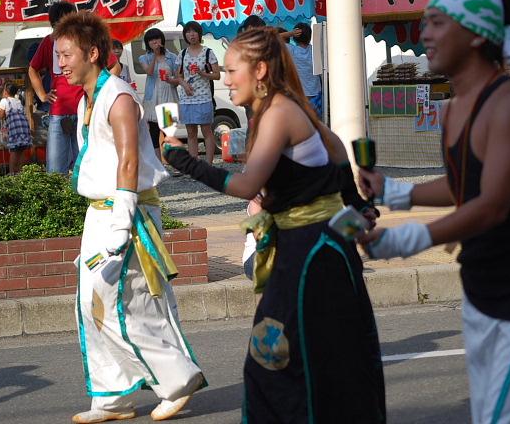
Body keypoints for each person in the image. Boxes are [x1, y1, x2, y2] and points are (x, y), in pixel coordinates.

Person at [358, 0, 510, 423]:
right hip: (484, 287)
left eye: (438, 23)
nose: (424, 34)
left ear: (476, 35)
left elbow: (491, 204)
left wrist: (404, 240)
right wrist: (396, 193)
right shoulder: (454, 107)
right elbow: (463, 184)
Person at [163, 27, 386, 423]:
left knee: (285, 359)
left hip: (312, 255)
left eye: (232, 70)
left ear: (261, 70)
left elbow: (247, 184)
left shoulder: (280, 112)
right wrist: (356, 208)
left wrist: (184, 161)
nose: (225, 79)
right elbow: (336, 155)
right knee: (298, 359)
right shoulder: (284, 108)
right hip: (310, 250)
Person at [54, 11, 204, 423]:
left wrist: (120, 223)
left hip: (127, 212)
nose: (61, 63)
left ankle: (177, 381)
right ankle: (112, 397)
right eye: (59, 55)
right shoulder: (89, 97)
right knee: (90, 304)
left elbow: (129, 162)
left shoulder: (118, 96)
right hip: (99, 212)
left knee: (130, 303)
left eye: (67, 55)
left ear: (93, 53)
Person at [28, 1, 81, 173]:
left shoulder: (84, 40)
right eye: (59, 22)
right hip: (58, 110)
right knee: (56, 168)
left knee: (86, 164)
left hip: (85, 109)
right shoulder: (49, 42)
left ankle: (87, 198)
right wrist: (42, 95)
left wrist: (98, 92)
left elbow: (113, 66)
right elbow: (32, 69)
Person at [174, 21, 220, 163]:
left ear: (199, 34)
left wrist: (202, 73)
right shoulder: (182, 54)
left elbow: (217, 75)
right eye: (188, 32)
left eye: (194, 32)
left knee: (206, 131)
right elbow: (178, 75)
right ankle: (195, 167)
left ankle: (208, 165)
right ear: (185, 35)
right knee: (191, 133)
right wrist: (184, 85)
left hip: (204, 97)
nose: (191, 35)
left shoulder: (208, 52)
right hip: (187, 98)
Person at [139, 28, 180, 163]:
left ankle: (173, 162)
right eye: (151, 40)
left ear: (162, 40)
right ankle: (158, 164)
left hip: (168, 98)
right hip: (152, 100)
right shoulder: (144, 57)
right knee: (154, 133)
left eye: (157, 38)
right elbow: (149, 72)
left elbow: (178, 79)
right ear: (147, 43)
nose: (155, 42)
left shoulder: (173, 57)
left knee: (169, 132)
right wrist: (155, 57)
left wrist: (170, 80)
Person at [0, 83, 32, 175]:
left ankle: (11, 173)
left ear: (6, 91)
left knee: (14, 150)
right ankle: (20, 172)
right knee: (21, 150)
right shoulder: (18, 101)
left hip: (15, 128)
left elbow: (0, 116)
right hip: (24, 127)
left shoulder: (4, 101)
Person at [287, 22, 322, 119]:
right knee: (316, 124)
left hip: (299, 94)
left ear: (295, 37)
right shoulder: (316, 51)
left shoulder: (292, 51)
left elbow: (271, 38)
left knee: (302, 124)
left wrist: (290, 33)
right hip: (317, 94)